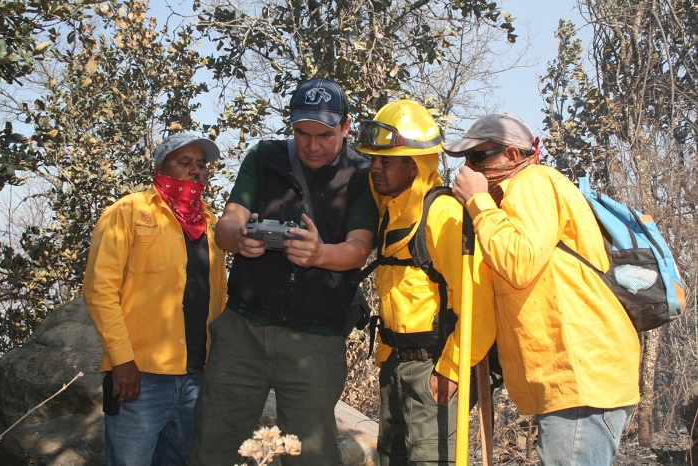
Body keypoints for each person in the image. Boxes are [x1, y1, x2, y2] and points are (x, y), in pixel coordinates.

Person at [190, 77, 379, 466]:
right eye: (301, 133)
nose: (312, 145)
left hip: (317, 336)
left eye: (324, 135)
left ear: (346, 127)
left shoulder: (363, 173)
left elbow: (359, 249)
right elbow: (226, 225)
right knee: (215, 444)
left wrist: (320, 254)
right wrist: (239, 239)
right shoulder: (264, 157)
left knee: (310, 455)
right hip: (243, 329)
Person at [446, 113, 641, 465]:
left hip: (581, 378)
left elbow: (518, 263)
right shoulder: (509, 200)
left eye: (477, 157)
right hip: (572, 381)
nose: (469, 169)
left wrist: (477, 202)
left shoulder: (533, 183)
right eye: (466, 160)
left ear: (511, 155)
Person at [356, 99, 496, 465]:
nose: (375, 168)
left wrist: (451, 369)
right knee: (392, 457)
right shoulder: (391, 210)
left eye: (386, 161)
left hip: (434, 367)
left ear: (415, 164)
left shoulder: (443, 214)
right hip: (395, 366)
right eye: (373, 159)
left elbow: (479, 305)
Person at [82, 133, 228, 465]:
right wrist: (121, 361)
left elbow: (218, 298)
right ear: (160, 169)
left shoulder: (210, 223)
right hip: (140, 376)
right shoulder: (128, 211)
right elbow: (100, 290)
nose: (195, 170)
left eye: (201, 165)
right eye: (185, 162)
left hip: (196, 376)